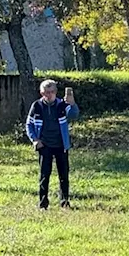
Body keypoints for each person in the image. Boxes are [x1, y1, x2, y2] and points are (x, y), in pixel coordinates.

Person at [26, 79, 80, 210]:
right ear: (41, 93)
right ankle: (43, 204)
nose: (49, 95)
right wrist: (35, 140)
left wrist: (72, 103)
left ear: (56, 92)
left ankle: (65, 202)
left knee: (64, 175)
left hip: (61, 145)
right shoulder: (36, 106)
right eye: (46, 92)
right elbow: (29, 124)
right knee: (44, 175)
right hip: (45, 145)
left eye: (51, 92)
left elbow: (74, 114)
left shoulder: (62, 104)